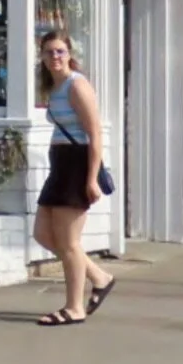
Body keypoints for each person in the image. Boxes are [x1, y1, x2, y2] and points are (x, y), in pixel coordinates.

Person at [33, 29, 116, 327]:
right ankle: (99, 277)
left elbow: (95, 134)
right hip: (60, 165)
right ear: (42, 57)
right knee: (43, 234)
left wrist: (91, 179)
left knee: (69, 243)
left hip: (77, 165)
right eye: (49, 52)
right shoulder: (54, 88)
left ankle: (74, 307)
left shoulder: (77, 85)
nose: (55, 56)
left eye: (60, 51)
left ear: (69, 55)